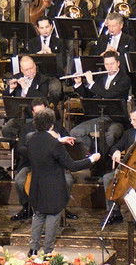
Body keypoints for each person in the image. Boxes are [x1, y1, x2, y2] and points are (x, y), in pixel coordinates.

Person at [19, 106, 102, 254]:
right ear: (52, 124)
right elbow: (72, 166)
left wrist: (59, 140)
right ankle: (48, 252)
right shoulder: (55, 145)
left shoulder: (31, 140)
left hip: (36, 185)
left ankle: (33, 250)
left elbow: (44, 144)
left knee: (38, 215)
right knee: (53, 216)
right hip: (53, 188)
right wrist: (91, 159)